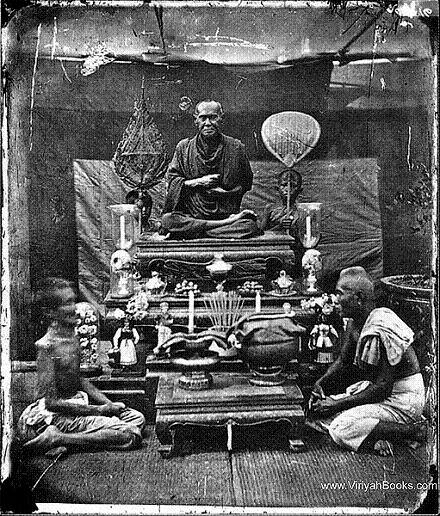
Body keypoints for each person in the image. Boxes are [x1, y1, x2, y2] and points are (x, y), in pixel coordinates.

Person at [17, 278, 145, 455]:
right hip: (58, 417)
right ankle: (58, 438)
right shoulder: (47, 347)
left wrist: (109, 404)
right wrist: (99, 410)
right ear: (51, 312)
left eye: (73, 301)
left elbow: (78, 379)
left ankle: (67, 441)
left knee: (137, 419)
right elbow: (51, 403)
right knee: (131, 434)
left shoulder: (72, 338)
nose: (74, 308)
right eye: (67, 303)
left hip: (78, 406)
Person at [308, 266, 427, 456]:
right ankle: (378, 433)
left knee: (340, 428)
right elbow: (343, 360)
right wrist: (320, 383)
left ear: (359, 298)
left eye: (339, 293)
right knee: (320, 413)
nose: (334, 300)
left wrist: (337, 404)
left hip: (402, 400)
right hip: (380, 392)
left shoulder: (381, 326)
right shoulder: (355, 321)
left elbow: (383, 387)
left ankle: (412, 431)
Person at [161, 99, 260, 239]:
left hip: (224, 213)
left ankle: (195, 231)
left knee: (250, 225)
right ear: (196, 121)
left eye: (213, 117)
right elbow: (172, 181)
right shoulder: (184, 147)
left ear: (221, 119)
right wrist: (198, 182)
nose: (208, 123)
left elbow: (246, 183)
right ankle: (220, 226)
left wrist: (226, 192)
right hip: (194, 215)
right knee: (168, 220)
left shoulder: (236, 147)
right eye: (203, 118)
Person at [260, 168, 303, 233]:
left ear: (300, 190)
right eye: (284, 185)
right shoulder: (270, 208)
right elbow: (261, 233)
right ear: (278, 189)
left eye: (293, 185)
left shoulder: (302, 210)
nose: (288, 189)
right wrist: (279, 226)